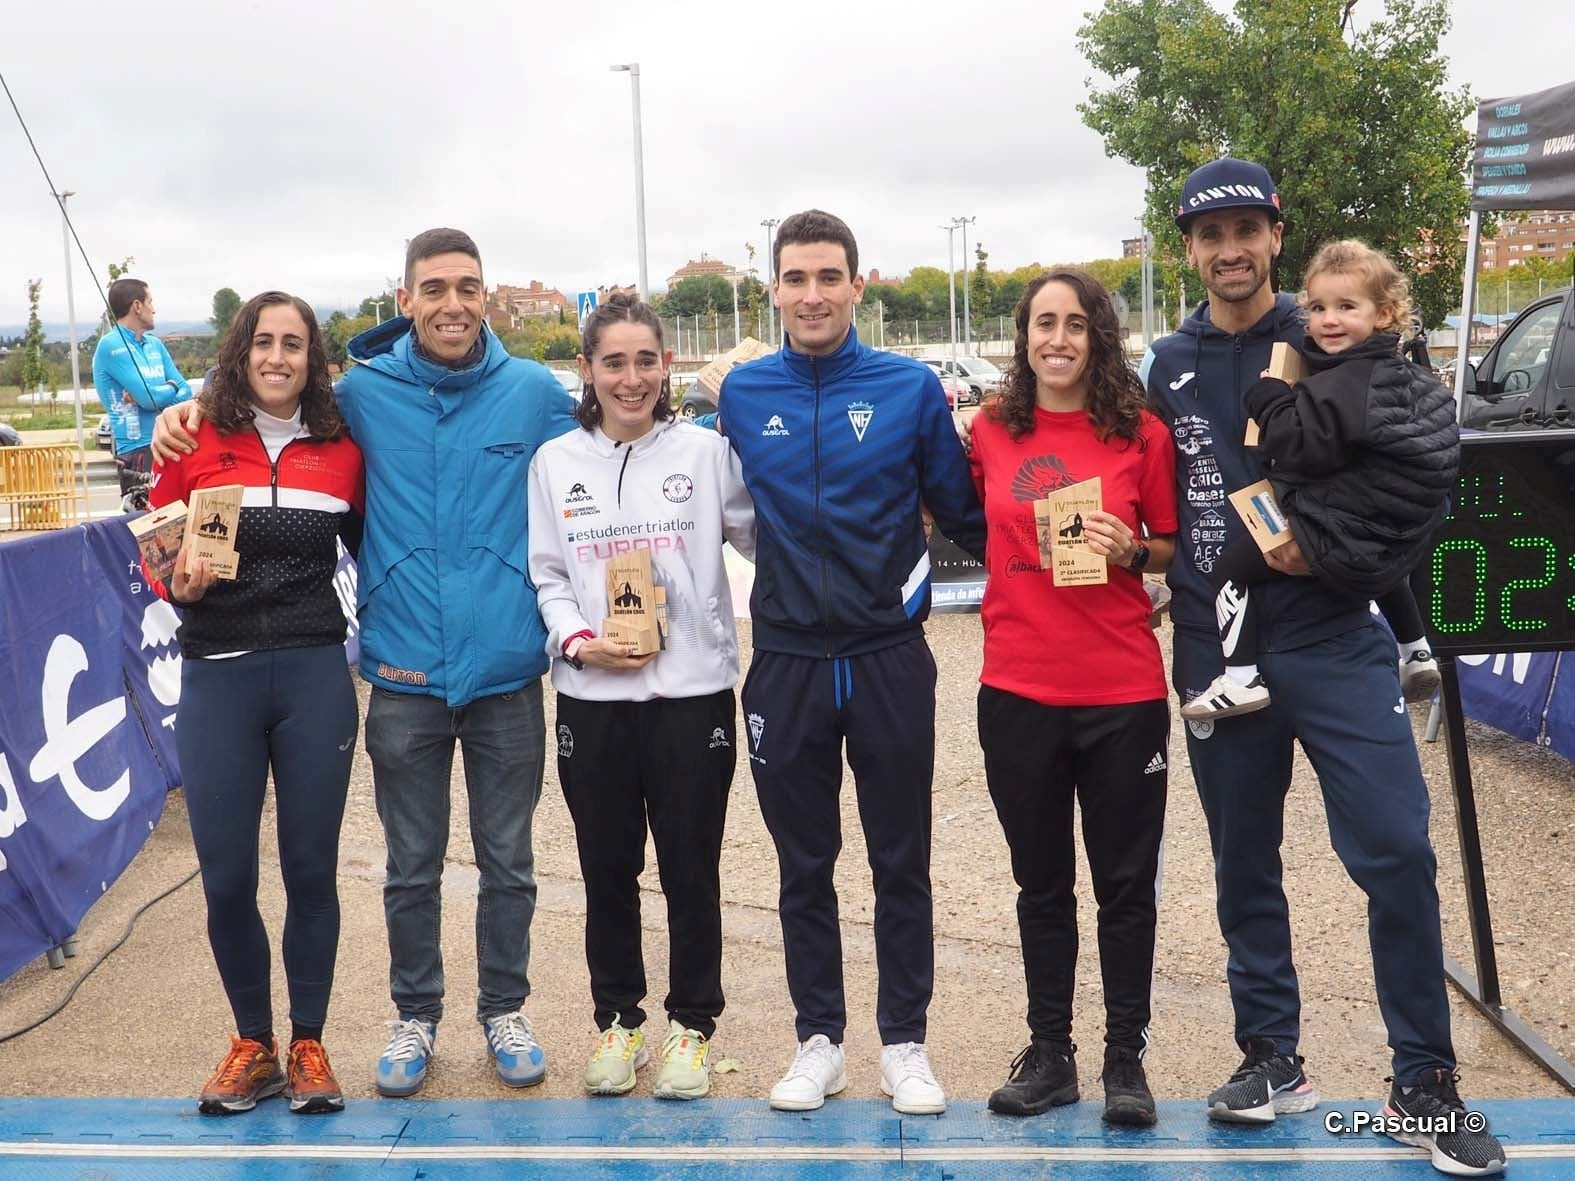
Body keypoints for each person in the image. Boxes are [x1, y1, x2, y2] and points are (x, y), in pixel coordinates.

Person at [1141, 157, 1505, 1176]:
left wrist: (1367, 562)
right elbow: (1158, 489)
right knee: (1244, 863)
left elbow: (1413, 471)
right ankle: (1271, 1057)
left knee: (1396, 850)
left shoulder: (1330, 331)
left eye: (1246, 231)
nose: (1228, 251)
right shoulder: (1167, 357)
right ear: (1189, 249)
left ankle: (1423, 1083)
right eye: (1208, 236)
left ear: (1273, 235)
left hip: (1337, 633)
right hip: (1219, 644)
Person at [151, 228, 578, 1097]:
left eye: (467, 286)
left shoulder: (531, 392)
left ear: (486, 294)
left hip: (502, 670)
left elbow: (606, 446)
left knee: (510, 862)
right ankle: (413, 1017)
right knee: (410, 866)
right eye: (434, 288)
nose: (452, 303)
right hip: (401, 673)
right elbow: (218, 472)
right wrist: (180, 408)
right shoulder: (364, 400)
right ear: (406, 298)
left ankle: (504, 1007)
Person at [717, 209, 987, 1115]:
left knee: (899, 859)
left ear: (856, 285)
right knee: (804, 864)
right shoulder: (743, 394)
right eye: (795, 279)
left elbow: (965, 512)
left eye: (828, 276)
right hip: (786, 659)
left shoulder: (909, 388)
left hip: (886, 657)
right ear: (775, 290)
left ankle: (903, 1043)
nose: (812, 294)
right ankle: (818, 1039)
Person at [527, 293, 755, 1100]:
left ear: (669, 366)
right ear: (587, 370)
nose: (631, 379)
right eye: (613, 362)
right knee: (606, 870)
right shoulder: (556, 462)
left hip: (691, 696)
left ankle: (691, 1028)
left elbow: (759, 538)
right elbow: (548, 574)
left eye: (646, 361)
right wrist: (577, 640)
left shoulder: (704, 453)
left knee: (691, 869)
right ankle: (617, 1023)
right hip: (591, 698)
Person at [145, 291, 364, 1116]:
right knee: (228, 876)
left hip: (312, 675)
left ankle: (308, 1043)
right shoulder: (195, 435)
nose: (278, 357)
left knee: (311, 870)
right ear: (240, 352)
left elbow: (375, 543)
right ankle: (252, 1043)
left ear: (313, 358)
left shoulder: (342, 447)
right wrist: (176, 582)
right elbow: (155, 560)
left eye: (295, 344)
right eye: (264, 342)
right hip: (218, 676)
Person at [968, 269, 1176, 1126]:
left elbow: (1167, 548)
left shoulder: (1141, 433)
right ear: (1023, 337)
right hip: (1017, 688)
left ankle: (1125, 1055)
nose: (1056, 339)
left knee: (1125, 885)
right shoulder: (986, 428)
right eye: (1041, 323)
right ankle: (1049, 1052)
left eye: (1074, 324)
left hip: (1120, 691)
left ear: (1098, 335)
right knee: (1040, 883)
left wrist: (1130, 549)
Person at [1181, 240, 1455, 722]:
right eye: (1319, 308)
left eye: (1347, 307)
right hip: (1387, 532)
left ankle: (1239, 678)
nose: (1329, 320)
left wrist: (1269, 398)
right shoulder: (1405, 372)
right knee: (1388, 574)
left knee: (1232, 566)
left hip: (1334, 534)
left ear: (1385, 314)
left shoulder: (1347, 379)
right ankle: (1415, 649)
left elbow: (1301, 447)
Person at [93, 278, 191, 504]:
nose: (153, 308)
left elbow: (185, 391)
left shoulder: (155, 344)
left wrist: (168, 389)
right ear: (137, 306)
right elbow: (149, 399)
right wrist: (167, 390)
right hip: (138, 450)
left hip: (171, 440)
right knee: (146, 531)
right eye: (150, 301)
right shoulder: (111, 345)